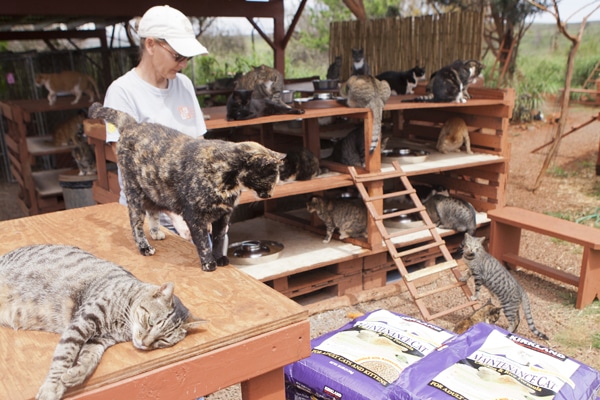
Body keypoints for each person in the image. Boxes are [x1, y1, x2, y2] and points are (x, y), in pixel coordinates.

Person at [103, 5, 208, 236]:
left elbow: (199, 149)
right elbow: (128, 162)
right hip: (150, 216)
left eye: (187, 57)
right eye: (177, 56)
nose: (183, 64)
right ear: (150, 44)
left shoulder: (184, 85)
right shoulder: (121, 92)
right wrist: (174, 212)